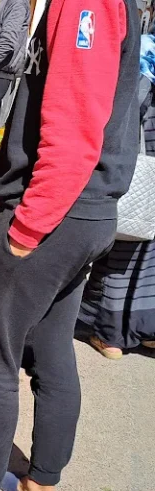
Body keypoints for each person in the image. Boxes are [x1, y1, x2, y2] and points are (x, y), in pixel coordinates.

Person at [0, 0, 140, 491]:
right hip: (81, 215)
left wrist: (25, 230)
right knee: (52, 350)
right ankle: (40, 486)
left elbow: (75, 131)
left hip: (58, 212)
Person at [78, 33, 155, 360]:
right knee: (150, 253)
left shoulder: (145, 50)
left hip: (139, 163)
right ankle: (148, 330)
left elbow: (126, 110)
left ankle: (110, 336)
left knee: (123, 244)